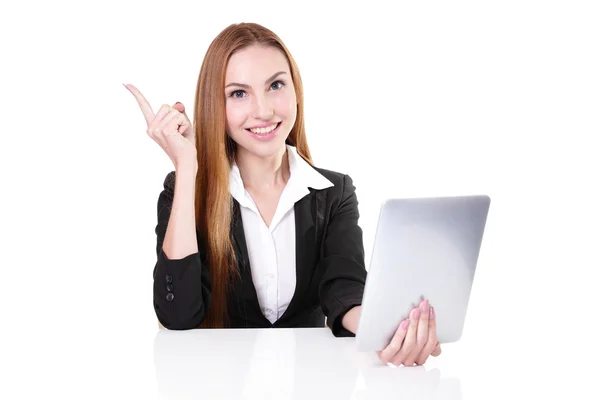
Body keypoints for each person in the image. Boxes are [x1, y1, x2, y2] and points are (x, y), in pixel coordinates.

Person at [124, 22, 441, 367]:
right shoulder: (185, 191)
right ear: (215, 104)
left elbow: (344, 290)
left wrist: (385, 330)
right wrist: (187, 168)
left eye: (275, 85)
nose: (263, 111)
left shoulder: (333, 193)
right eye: (239, 93)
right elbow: (178, 315)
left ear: (295, 91)